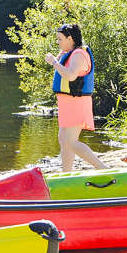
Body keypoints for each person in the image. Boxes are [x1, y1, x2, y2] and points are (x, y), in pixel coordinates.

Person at [44, 23, 106, 172]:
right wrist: (59, 60)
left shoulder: (79, 54)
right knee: (63, 140)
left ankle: (103, 169)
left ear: (70, 38)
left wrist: (54, 62)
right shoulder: (70, 53)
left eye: (60, 39)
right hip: (67, 103)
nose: (58, 42)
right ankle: (66, 174)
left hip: (77, 103)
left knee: (71, 142)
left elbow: (71, 76)